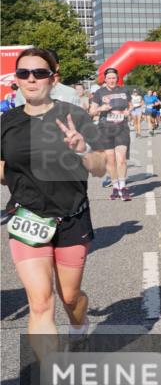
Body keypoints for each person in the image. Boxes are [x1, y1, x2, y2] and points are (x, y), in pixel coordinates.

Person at [1, 48, 105, 363]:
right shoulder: (7, 122)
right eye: (24, 73)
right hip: (28, 219)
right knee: (41, 303)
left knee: (70, 297)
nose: (31, 79)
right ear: (16, 80)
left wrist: (82, 147)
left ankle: (79, 326)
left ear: (53, 78)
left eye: (39, 73)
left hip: (72, 218)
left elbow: (100, 167)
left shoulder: (75, 116)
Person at [90, 68, 133, 201]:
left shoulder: (124, 91)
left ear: (117, 78)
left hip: (121, 128)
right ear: (105, 79)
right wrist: (100, 109)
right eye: (109, 78)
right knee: (111, 160)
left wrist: (128, 111)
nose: (112, 80)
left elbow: (131, 105)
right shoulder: (99, 92)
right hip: (105, 129)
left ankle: (123, 187)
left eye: (114, 78)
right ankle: (115, 186)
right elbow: (91, 112)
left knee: (121, 159)